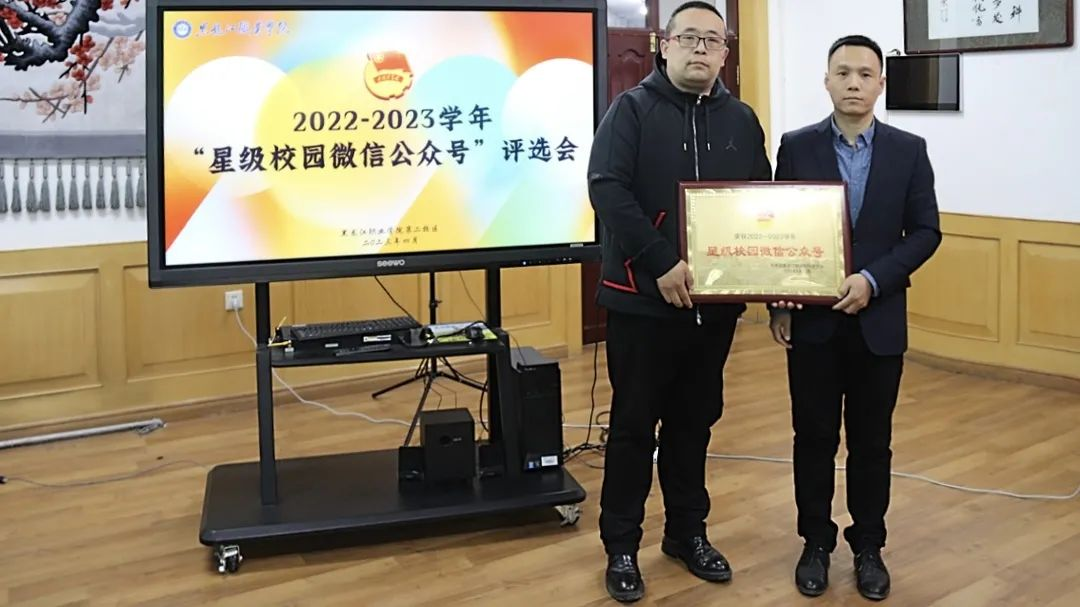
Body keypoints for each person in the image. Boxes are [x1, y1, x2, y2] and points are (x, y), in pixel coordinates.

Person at [586, 1, 772, 602]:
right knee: (634, 428)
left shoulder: (742, 119)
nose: (700, 49)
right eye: (688, 38)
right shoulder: (631, 110)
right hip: (643, 303)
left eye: (712, 40)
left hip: (713, 308)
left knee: (695, 424)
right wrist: (660, 261)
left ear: (724, 52)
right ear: (664, 46)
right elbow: (607, 189)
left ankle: (687, 533)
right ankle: (621, 546)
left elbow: (762, 201)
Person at [769, 35, 941, 601]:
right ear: (826, 81)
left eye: (865, 74)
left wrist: (873, 279)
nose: (853, 83)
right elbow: (776, 229)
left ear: (880, 84)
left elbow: (926, 231)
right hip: (813, 323)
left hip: (879, 322)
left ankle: (869, 546)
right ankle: (815, 543)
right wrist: (779, 304)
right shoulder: (796, 147)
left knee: (872, 443)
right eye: (842, 72)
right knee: (813, 438)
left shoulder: (908, 150)